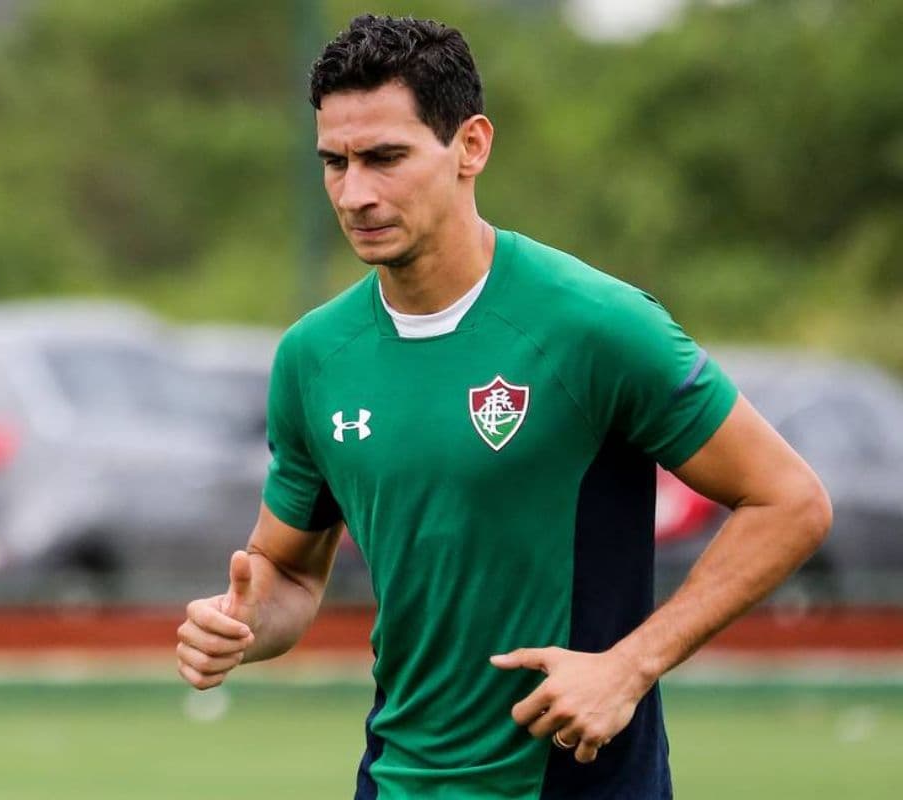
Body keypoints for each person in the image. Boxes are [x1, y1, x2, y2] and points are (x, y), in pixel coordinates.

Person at [176, 13, 831, 800]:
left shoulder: (596, 326)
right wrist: (241, 628)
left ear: (471, 146)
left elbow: (790, 501)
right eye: (335, 163)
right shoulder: (314, 357)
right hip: (395, 781)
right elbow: (286, 571)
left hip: (582, 784)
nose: (355, 193)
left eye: (386, 157)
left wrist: (629, 667)